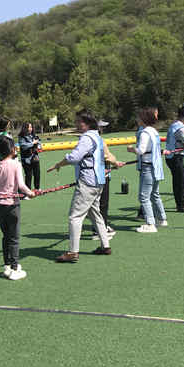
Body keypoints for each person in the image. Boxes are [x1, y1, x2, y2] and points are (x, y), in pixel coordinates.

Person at [48, 110, 112, 261]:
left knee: (75, 216)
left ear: (87, 123)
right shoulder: (97, 136)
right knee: (95, 214)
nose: (76, 124)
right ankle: (105, 246)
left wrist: (59, 164)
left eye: (79, 122)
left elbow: (74, 157)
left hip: (87, 182)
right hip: (99, 181)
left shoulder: (86, 138)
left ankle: (72, 252)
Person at [0, 135, 35, 281]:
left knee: (6, 236)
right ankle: (15, 268)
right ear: (11, 149)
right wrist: (31, 193)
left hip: (0, 206)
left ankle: (7, 266)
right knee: (14, 238)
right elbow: (21, 186)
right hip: (12, 205)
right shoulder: (15, 163)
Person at [127, 107, 167, 233]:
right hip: (156, 166)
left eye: (139, 118)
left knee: (144, 197)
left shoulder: (144, 132)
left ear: (143, 119)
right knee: (155, 194)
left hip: (148, 166)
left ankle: (150, 224)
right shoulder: (154, 131)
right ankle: (162, 219)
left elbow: (141, 150)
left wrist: (132, 149)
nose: (137, 120)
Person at [164, 106, 184, 212]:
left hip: (171, 157)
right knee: (181, 181)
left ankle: (180, 203)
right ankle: (181, 205)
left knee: (179, 180)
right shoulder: (180, 128)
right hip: (175, 157)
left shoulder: (174, 125)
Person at [18, 122, 41, 191]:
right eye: (29, 127)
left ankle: (37, 189)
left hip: (35, 158)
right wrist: (33, 143)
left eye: (31, 127)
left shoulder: (34, 135)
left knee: (37, 174)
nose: (30, 129)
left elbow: (39, 143)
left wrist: (39, 146)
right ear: (25, 128)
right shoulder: (21, 137)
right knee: (28, 175)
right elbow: (24, 146)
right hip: (26, 159)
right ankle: (28, 191)